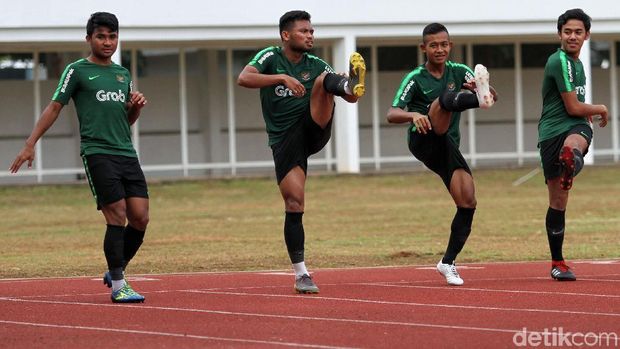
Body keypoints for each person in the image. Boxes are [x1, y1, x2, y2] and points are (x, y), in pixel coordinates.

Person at [9, 12, 149, 302]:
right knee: (118, 214)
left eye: (112, 36)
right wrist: (29, 143)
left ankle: (115, 268)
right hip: (97, 152)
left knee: (140, 218)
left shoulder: (123, 74)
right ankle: (119, 286)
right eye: (101, 36)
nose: (107, 42)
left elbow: (125, 120)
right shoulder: (77, 70)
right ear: (89, 39)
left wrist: (135, 107)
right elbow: (55, 107)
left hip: (126, 152)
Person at [237, 10, 365, 294]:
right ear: (286, 35)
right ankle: (301, 274)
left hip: (313, 126)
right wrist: (281, 78)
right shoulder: (270, 57)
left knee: (323, 81)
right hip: (285, 140)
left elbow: (353, 101)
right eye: (304, 31)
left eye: (311, 31)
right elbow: (244, 78)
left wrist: (350, 88)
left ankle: (346, 79)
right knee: (294, 203)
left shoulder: (316, 63)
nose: (310, 36)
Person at [386, 23, 497, 286]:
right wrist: (413, 114)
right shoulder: (415, 77)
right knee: (442, 101)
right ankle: (467, 99)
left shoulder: (459, 70)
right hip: (422, 139)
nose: (440, 49)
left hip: (448, 144)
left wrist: (480, 90)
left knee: (468, 201)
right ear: (424, 48)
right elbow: (391, 113)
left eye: (444, 44)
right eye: (433, 45)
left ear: (451, 45)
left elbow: (493, 97)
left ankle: (447, 262)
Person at [538, 9, 608, 281]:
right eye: (567, 31)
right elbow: (572, 106)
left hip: (568, 128)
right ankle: (572, 161)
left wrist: (586, 114)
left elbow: (576, 107)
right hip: (552, 132)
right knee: (558, 201)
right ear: (559, 34)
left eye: (578, 32)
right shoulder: (559, 61)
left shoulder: (578, 65)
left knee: (577, 138)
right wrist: (600, 108)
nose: (572, 36)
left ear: (587, 35)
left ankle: (571, 159)